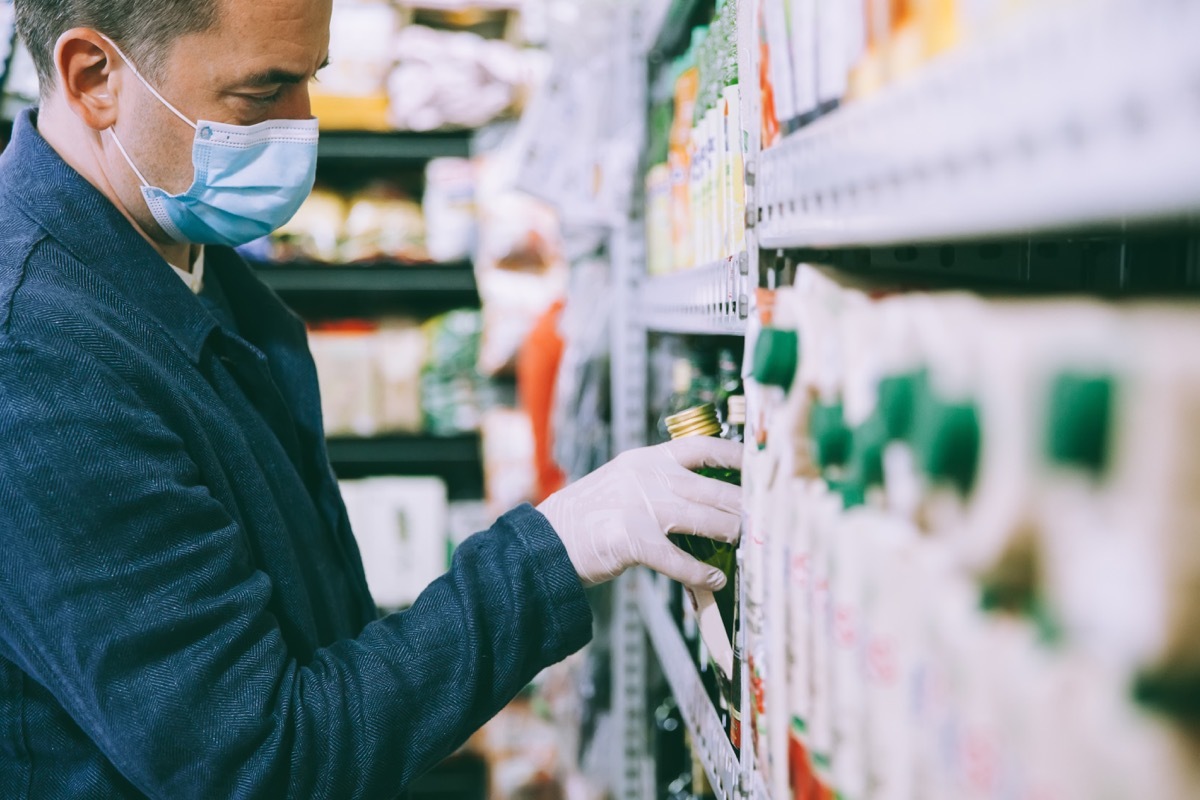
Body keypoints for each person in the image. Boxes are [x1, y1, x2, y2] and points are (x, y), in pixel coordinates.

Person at [0, 0, 742, 797]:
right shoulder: (38, 359)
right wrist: (553, 551)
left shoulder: (177, 256)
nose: (302, 127)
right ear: (94, 77)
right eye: (262, 93)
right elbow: (260, 758)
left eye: (311, 80)